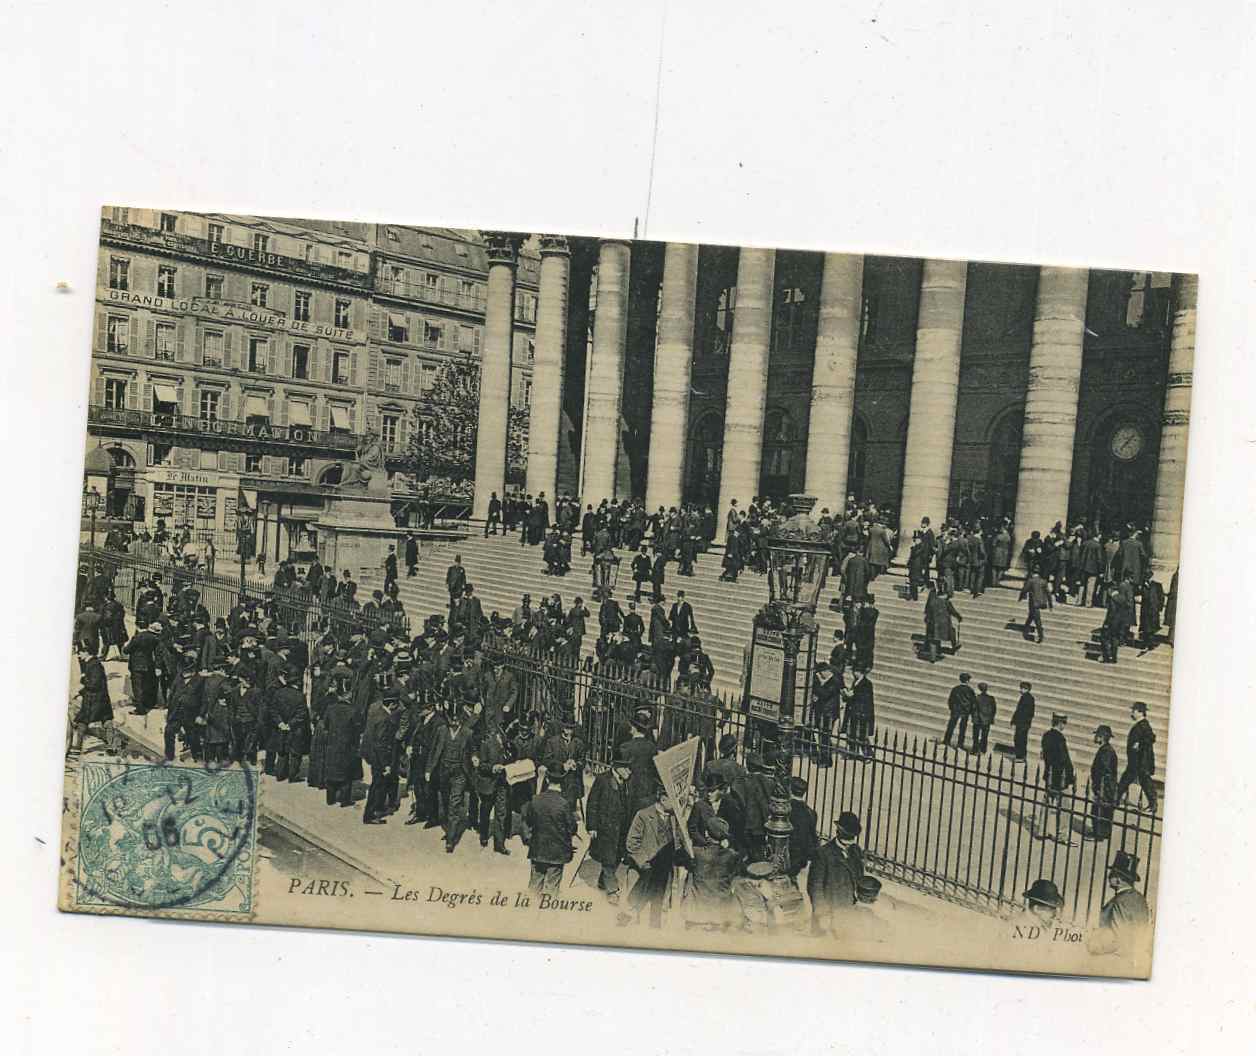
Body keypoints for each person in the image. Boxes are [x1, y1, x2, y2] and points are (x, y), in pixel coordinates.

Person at [624, 782, 679, 928]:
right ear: (663, 799)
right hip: (646, 868)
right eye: (673, 799)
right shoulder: (643, 815)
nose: (676, 803)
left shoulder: (674, 818)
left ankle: (655, 929)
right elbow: (631, 843)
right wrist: (643, 862)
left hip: (665, 869)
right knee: (638, 905)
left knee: (658, 903)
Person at [585, 750, 634, 903]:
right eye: (626, 768)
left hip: (622, 828)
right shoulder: (602, 780)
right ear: (617, 767)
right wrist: (592, 826)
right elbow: (592, 803)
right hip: (605, 827)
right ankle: (612, 891)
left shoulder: (627, 781)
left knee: (617, 856)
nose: (629, 771)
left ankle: (603, 880)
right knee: (608, 858)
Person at [807, 811, 864, 935]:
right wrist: (822, 914)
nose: (849, 842)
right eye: (846, 837)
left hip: (849, 912)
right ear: (837, 832)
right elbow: (815, 887)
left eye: (852, 837)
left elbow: (860, 878)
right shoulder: (822, 854)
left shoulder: (856, 851)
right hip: (828, 915)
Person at [1087, 851, 1151, 957]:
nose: (1109, 877)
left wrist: (1094, 949)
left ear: (1118, 879)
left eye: (1112, 874)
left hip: (1116, 957)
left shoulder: (1120, 901)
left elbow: (1117, 938)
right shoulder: (1139, 898)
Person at [522, 772, 577, 894]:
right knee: (552, 888)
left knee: (534, 885)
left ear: (547, 780)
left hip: (538, 849)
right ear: (563, 782)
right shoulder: (564, 804)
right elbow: (572, 829)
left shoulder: (535, 799)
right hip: (557, 852)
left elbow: (528, 821)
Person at [69, 644, 117, 756]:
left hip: (93, 700)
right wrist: (80, 693)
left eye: (80, 652)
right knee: (106, 720)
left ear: (87, 652)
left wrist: (83, 679)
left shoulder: (94, 665)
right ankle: (112, 745)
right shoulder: (93, 663)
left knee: (83, 721)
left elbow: (93, 684)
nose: (79, 655)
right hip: (102, 698)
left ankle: (77, 747)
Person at [1036, 712, 1076, 842]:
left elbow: (1044, 755)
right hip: (1061, 777)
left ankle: (1041, 830)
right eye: (1064, 723)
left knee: (1047, 802)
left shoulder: (1046, 735)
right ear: (1060, 723)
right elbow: (1064, 759)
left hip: (1050, 774)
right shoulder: (1060, 738)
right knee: (1064, 807)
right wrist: (1071, 776)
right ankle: (1061, 835)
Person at [1116, 701, 1158, 814]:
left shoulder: (1144, 725)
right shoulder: (1141, 724)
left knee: (1141, 781)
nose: (1132, 713)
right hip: (1136, 761)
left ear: (1140, 712)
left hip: (1141, 761)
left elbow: (1151, 738)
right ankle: (1116, 798)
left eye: (1133, 711)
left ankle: (1153, 805)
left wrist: (1139, 743)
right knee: (1129, 779)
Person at [1088, 724, 1119, 840]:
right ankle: (1104, 833)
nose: (1095, 737)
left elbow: (1104, 769)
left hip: (1104, 786)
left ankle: (1099, 834)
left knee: (1099, 809)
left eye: (1097, 735)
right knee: (1104, 809)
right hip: (1105, 785)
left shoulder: (1106, 751)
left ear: (1101, 737)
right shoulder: (1107, 749)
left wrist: (1098, 785)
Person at [787, 777, 819, 880]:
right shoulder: (811, 812)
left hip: (787, 855)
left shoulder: (786, 809)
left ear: (790, 789)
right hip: (801, 858)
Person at [923, 583, 962, 662]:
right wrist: (959, 617)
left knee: (933, 640)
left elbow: (928, 610)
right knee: (952, 631)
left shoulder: (933, 601)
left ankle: (932, 658)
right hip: (944, 623)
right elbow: (953, 611)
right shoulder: (946, 602)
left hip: (933, 623)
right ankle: (954, 646)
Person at [943, 673, 977, 750]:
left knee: (951, 726)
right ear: (968, 681)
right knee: (962, 728)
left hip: (956, 710)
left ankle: (947, 740)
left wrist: (952, 708)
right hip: (965, 712)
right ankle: (960, 744)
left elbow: (950, 700)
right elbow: (973, 701)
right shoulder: (970, 690)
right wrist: (970, 711)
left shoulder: (955, 689)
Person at [1019, 565, 1052, 643]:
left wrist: (1020, 597)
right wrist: (1050, 604)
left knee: (1037, 620)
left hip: (1033, 603)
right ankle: (1025, 630)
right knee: (1031, 616)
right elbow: (1048, 593)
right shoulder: (1043, 581)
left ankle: (1040, 636)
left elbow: (1024, 590)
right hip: (1041, 603)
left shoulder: (1031, 581)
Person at [1011, 681, 1035, 764]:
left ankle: (1020, 756)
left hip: (1023, 723)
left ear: (1026, 689)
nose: (1020, 690)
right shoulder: (1025, 697)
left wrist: (1021, 722)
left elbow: (1028, 713)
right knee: (1020, 739)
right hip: (1022, 723)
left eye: (1022, 688)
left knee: (1020, 739)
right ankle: (1021, 756)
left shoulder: (1028, 698)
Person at [972, 681, 996, 754]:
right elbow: (994, 709)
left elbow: (973, 708)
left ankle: (975, 750)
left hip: (978, 719)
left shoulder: (977, 698)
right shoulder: (991, 698)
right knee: (984, 736)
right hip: (987, 720)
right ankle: (983, 750)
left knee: (976, 736)